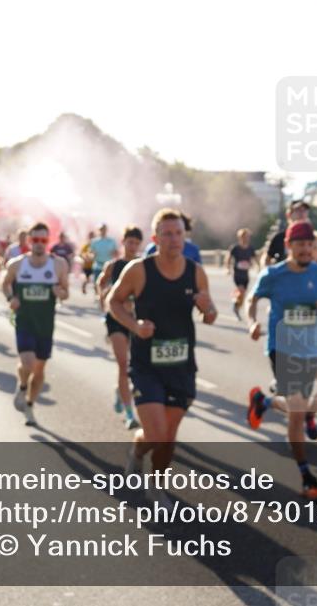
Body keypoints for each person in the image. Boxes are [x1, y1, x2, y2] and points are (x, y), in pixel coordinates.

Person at [111, 209, 216, 505]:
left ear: (185, 236)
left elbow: (210, 317)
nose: (174, 239)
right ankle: (156, 489)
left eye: (179, 233)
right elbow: (113, 302)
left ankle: (138, 452)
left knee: (166, 437)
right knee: (158, 434)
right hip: (147, 366)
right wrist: (134, 325)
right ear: (156, 238)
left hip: (181, 366)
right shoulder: (139, 270)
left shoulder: (195, 272)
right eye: (167, 234)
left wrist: (207, 308)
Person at [246, 221, 317, 499]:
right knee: (297, 411)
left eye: (310, 245)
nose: (306, 250)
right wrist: (252, 322)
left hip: (313, 345)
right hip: (282, 346)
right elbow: (253, 300)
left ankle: (264, 402)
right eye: (300, 245)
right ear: (289, 246)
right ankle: (306, 475)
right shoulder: (273, 275)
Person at [3, 222, 70, 426]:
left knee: (39, 370)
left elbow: (66, 292)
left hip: (45, 324)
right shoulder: (17, 264)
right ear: (29, 241)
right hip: (24, 321)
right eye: (35, 240)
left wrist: (60, 293)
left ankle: (30, 404)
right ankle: (22, 385)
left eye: (43, 240)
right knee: (28, 363)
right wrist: (10, 298)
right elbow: (5, 283)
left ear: (47, 241)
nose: (39, 244)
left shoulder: (59, 264)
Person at [97, 226, 143, 429]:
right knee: (124, 365)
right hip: (116, 319)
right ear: (123, 242)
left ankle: (120, 389)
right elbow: (101, 283)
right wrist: (105, 296)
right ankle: (130, 413)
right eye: (129, 242)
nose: (132, 246)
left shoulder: (143, 267)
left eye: (135, 243)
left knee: (137, 368)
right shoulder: (113, 266)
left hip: (137, 320)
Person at [265, 200, 317, 266]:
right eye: (298, 210)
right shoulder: (279, 238)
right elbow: (267, 260)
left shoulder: (315, 236)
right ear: (289, 214)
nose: (302, 213)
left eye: (305, 210)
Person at [228, 228, 259, 321]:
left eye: (247, 237)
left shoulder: (251, 248)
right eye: (244, 237)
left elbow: (256, 259)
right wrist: (227, 268)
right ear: (239, 237)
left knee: (242, 295)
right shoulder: (235, 248)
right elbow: (228, 258)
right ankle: (235, 304)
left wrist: (259, 268)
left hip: (246, 275)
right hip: (237, 274)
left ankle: (236, 306)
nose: (246, 238)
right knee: (241, 291)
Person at [80, 231, 96, 295]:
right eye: (90, 236)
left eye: (93, 236)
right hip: (87, 266)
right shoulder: (86, 245)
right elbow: (81, 254)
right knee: (87, 279)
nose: (92, 238)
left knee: (96, 279)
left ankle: (96, 293)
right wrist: (86, 258)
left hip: (94, 265)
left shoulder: (96, 244)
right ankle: (83, 287)